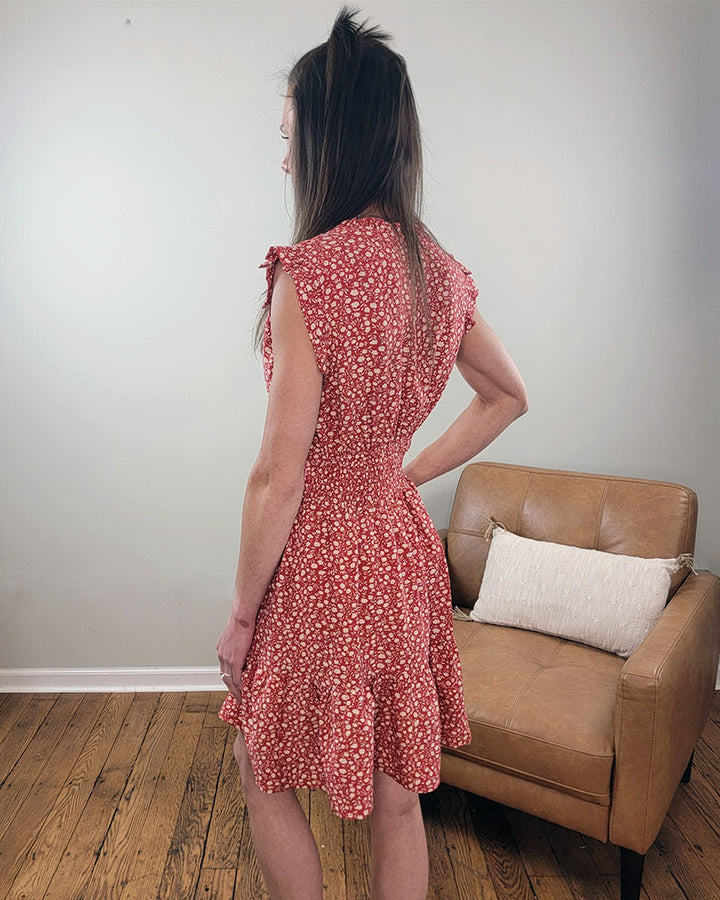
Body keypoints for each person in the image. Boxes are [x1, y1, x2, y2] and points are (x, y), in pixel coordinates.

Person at [215, 5, 528, 899]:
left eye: (291, 134)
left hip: (319, 558)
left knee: (263, 770)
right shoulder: (440, 268)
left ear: (329, 136)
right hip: (399, 551)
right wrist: (405, 475)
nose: (284, 156)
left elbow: (278, 476)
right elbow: (510, 393)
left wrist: (242, 617)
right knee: (400, 797)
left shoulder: (307, 273)